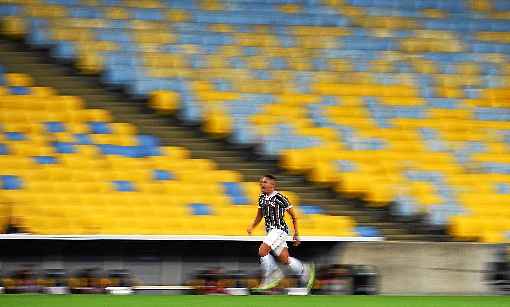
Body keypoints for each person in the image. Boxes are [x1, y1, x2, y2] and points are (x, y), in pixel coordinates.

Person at [247, 174, 315, 292]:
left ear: (272, 185)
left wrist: (296, 233)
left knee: (262, 251)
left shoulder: (280, 197)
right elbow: (260, 215)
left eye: (265, 182)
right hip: (271, 231)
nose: (261, 184)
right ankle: (304, 269)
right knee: (285, 259)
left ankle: (273, 274)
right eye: (261, 182)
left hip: (279, 229)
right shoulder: (261, 198)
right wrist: (252, 226)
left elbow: (293, 215)